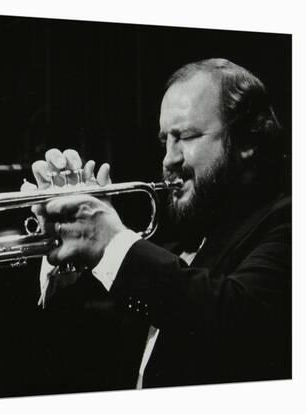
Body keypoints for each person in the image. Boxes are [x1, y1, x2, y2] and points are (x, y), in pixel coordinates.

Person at [22, 58, 291, 389]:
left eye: (186, 136)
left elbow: (235, 318)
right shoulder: (178, 250)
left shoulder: (287, 224)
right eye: (165, 139)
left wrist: (112, 243)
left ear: (247, 140)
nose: (168, 159)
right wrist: (70, 245)